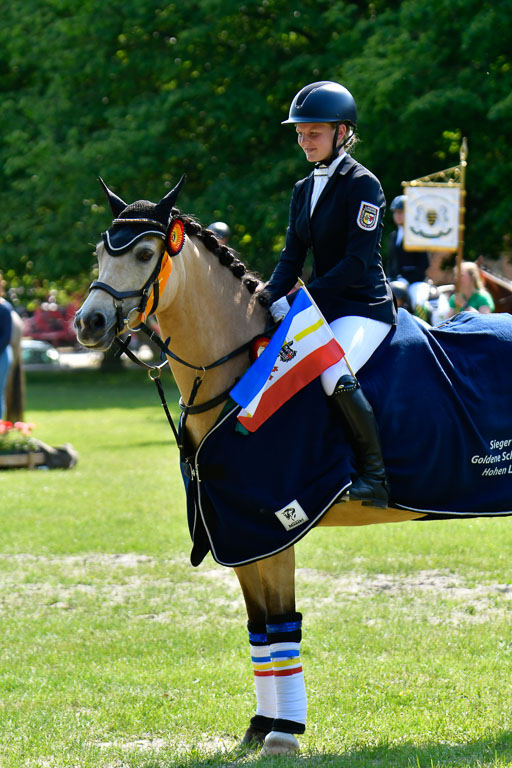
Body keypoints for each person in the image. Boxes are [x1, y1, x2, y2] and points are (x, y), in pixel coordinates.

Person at [258, 80, 396, 508]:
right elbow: (290, 258)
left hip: (363, 306)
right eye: (300, 133)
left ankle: (375, 477)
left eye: (313, 132)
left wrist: (300, 300)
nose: (304, 141)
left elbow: (356, 262)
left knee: (333, 373)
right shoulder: (303, 189)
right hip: (324, 306)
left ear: (342, 132)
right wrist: (264, 296)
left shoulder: (363, 184)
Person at [386, 194, 431, 314]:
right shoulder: (393, 236)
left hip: (415, 282)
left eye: (401, 212)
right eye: (395, 212)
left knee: (418, 302)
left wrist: (407, 279)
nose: (398, 215)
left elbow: (424, 263)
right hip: (396, 280)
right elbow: (390, 262)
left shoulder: (418, 235)